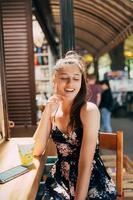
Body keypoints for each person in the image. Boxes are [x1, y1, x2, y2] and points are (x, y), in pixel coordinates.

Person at [33, 51, 116, 200]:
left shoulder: (88, 110)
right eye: (64, 78)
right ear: (55, 81)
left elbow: (85, 163)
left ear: (81, 82)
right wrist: (47, 112)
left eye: (76, 79)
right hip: (61, 179)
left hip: (90, 179)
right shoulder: (53, 111)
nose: (70, 84)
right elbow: (37, 150)